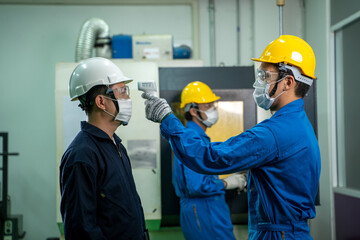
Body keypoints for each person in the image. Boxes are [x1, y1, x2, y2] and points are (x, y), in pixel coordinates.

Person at [141, 35, 321, 240]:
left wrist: (166, 117)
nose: (258, 84)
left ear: (288, 82)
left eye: (265, 76)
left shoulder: (275, 132)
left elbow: (210, 156)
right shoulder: (300, 125)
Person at [59, 57, 149, 240]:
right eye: (123, 91)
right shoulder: (82, 155)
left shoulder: (116, 146)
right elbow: (81, 230)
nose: (128, 98)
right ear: (101, 101)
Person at [172, 81, 247, 240]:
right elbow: (196, 186)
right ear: (193, 111)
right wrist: (227, 183)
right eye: (207, 106)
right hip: (204, 211)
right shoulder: (193, 140)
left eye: (213, 105)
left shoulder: (196, 138)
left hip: (206, 209)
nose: (213, 110)